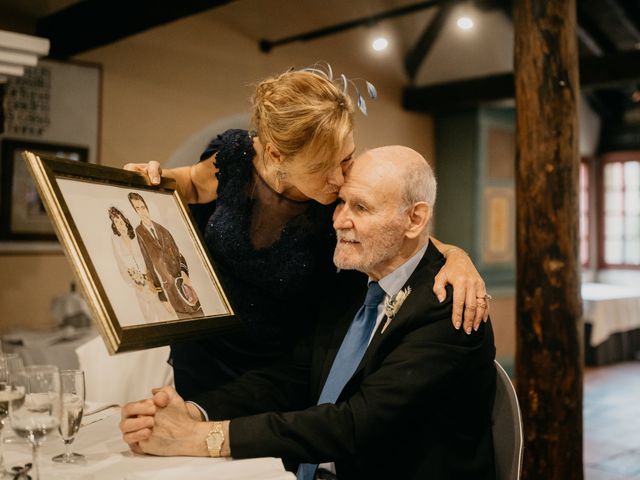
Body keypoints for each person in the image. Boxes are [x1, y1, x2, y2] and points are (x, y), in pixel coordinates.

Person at [120, 146, 496, 479]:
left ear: (414, 220)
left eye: (361, 207)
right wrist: (196, 412)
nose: (339, 220)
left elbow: (353, 426)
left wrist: (205, 438)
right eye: (341, 203)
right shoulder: (352, 282)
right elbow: (293, 377)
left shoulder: (450, 308)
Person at [124, 65, 491, 398]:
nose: (339, 178)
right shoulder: (237, 156)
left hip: (280, 372)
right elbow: (191, 182)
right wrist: (152, 179)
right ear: (276, 156)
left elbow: (403, 234)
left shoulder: (336, 202)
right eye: (322, 167)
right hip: (203, 354)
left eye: (345, 158)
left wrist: (458, 256)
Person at [128, 192, 204, 319]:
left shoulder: (163, 230)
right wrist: (162, 297)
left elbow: (178, 254)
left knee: (202, 317)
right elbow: (148, 265)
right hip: (168, 292)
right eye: (137, 209)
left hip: (184, 288)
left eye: (143, 207)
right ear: (134, 211)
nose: (142, 211)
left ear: (147, 207)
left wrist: (185, 276)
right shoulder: (138, 233)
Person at [108, 206, 171, 324]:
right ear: (114, 225)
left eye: (121, 221)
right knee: (149, 316)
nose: (120, 225)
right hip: (138, 285)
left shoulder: (136, 235)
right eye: (116, 222)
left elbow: (149, 257)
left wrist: (150, 277)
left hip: (151, 279)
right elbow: (120, 264)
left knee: (163, 312)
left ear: (126, 222)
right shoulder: (115, 240)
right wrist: (133, 283)